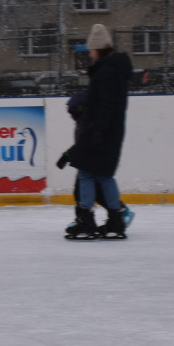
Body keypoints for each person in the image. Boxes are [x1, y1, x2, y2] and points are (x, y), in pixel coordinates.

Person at [64, 23, 133, 240]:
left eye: (91, 49)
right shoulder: (114, 70)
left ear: (97, 49)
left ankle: (86, 220)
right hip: (109, 131)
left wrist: (97, 131)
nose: (90, 53)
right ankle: (115, 220)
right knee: (103, 174)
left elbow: (105, 105)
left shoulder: (106, 72)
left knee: (86, 172)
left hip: (100, 131)